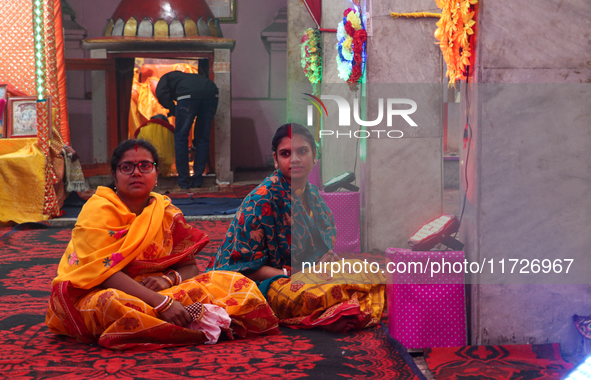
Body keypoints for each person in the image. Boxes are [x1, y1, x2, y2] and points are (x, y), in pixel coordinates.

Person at [46, 139, 279, 350]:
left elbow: (190, 267)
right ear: (115, 176)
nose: (136, 172)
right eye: (126, 167)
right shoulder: (98, 210)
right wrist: (163, 303)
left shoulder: (166, 212)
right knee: (113, 305)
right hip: (102, 290)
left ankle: (180, 323)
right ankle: (194, 321)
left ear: (156, 174)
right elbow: (103, 271)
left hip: (160, 292)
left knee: (235, 282)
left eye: (145, 166)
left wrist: (167, 280)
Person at [208, 123, 386, 332]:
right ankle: (338, 311)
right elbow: (245, 270)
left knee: (373, 273)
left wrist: (323, 262)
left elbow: (318, 248)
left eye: (302, 151)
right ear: (275, 159)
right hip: (260, 284)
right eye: (285, 153)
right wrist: (294, 272)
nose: (294, 159)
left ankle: (341, 309)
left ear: (314, 155)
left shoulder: (311, 195)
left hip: (303, 273)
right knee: (316, 294)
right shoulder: (261, 200)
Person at [155, 68, 218, 189]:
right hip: (211, 93)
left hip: (187, 96)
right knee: (203, 138)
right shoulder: (189, 77)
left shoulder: (166, 78)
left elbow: (161, 93)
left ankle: (184, 182)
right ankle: (198, 180)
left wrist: (172, 108)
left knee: (181, 137)